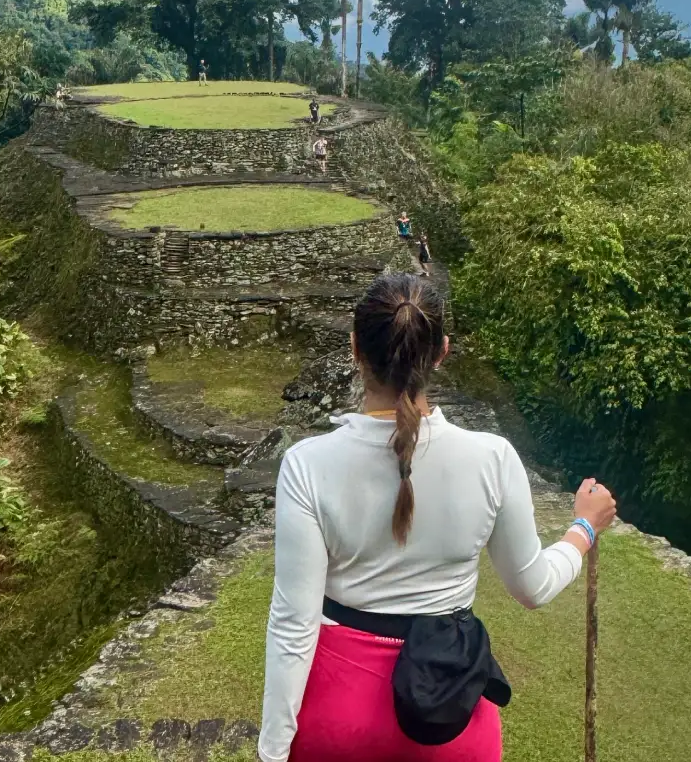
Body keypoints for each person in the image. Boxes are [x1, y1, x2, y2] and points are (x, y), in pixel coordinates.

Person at [259, 274, 616, 762]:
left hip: (340, 714)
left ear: (354, 349)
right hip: (449, 716)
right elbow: (532, 586)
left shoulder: (307, 464)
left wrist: (273, 751)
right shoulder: (492, 458)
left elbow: (294, 624)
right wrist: (583, 529)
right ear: (442, 352)